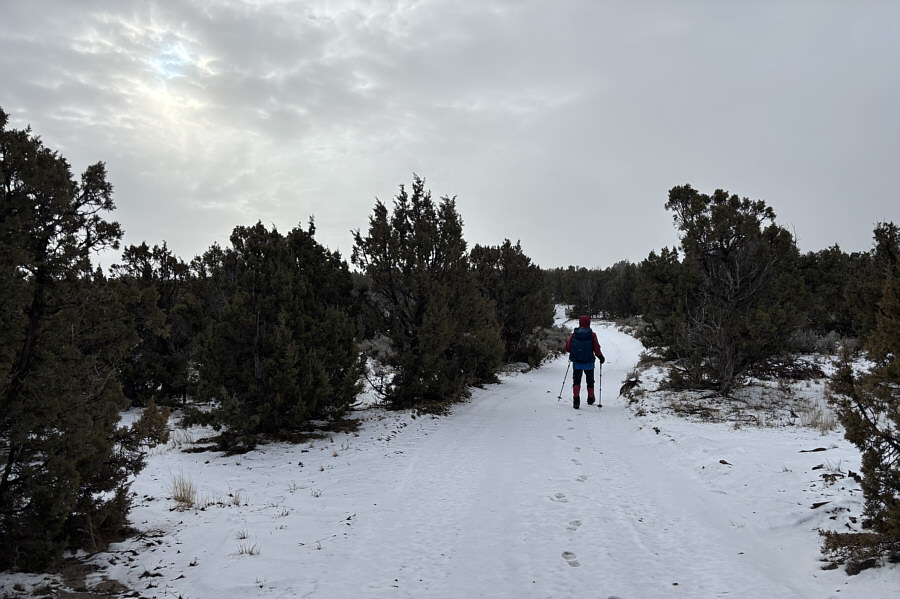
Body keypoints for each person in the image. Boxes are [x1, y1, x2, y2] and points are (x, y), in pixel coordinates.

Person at [564, 315, 606, 409]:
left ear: (580, 322)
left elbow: (568, 348)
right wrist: (601, 357)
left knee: (576, 381)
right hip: (589, 362)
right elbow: (596, 348)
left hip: (577, 362)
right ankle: (591, 398)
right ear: (589, 322)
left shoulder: (574, 334)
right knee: (590, 381)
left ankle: (576, 401)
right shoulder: (592, 334)